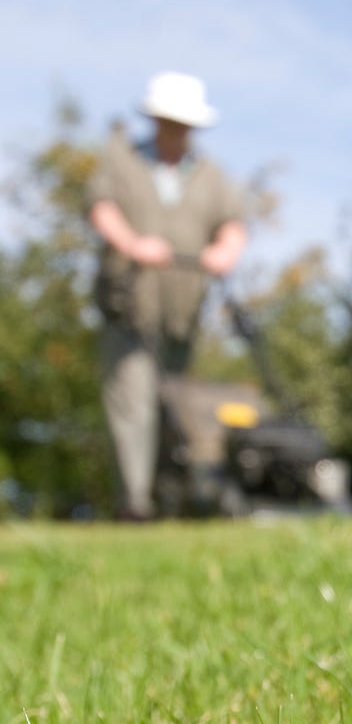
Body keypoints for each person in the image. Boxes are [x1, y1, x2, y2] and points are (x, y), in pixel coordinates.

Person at [88, 71, 248, 519]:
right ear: (155, 120)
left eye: (184, 124)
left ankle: (168, 496)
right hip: (130, 305)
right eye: (169, 121)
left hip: (184, 312)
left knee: (174, 405)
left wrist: (224, 251)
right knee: (133, 401)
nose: (177, 131)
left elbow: (233, 224)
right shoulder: (122, 160)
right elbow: (101, 208)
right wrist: (133, 245)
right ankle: (134, 503)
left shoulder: (210, 174)